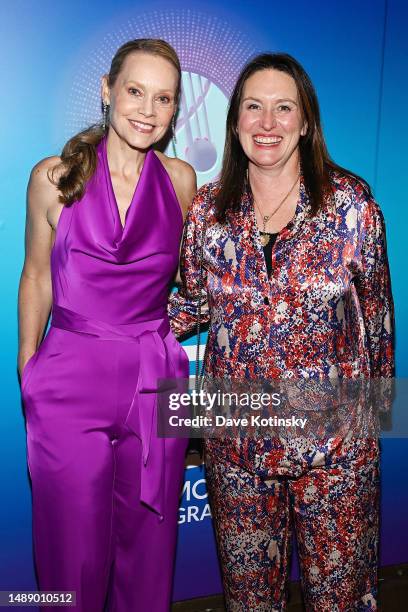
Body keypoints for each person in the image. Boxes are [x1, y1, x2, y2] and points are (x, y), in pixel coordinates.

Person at [169, 53, 394, 611]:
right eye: (253, 107)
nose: (267, 124)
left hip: (336, 453)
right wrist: (98, 331)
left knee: (338, 603)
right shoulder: (206, 212)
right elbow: (191, 303)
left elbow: (381, 326)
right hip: (237, 450)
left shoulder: (352, 207)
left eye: (283, 108)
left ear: (306, 120)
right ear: (235, 120)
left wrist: (371, 431)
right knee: (249, 605)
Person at [18, 38, 196, 611]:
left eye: (163, 98)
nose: (146, 110)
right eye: (135, 91)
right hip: (70, 380)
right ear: (107, 91)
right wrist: (29, 367)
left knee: (149, 550)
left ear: (175, 111)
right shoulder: (55, 176)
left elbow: (193, 285)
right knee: (71, 555)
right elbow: (36, 277)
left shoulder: (182, 181)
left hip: (154, 381)